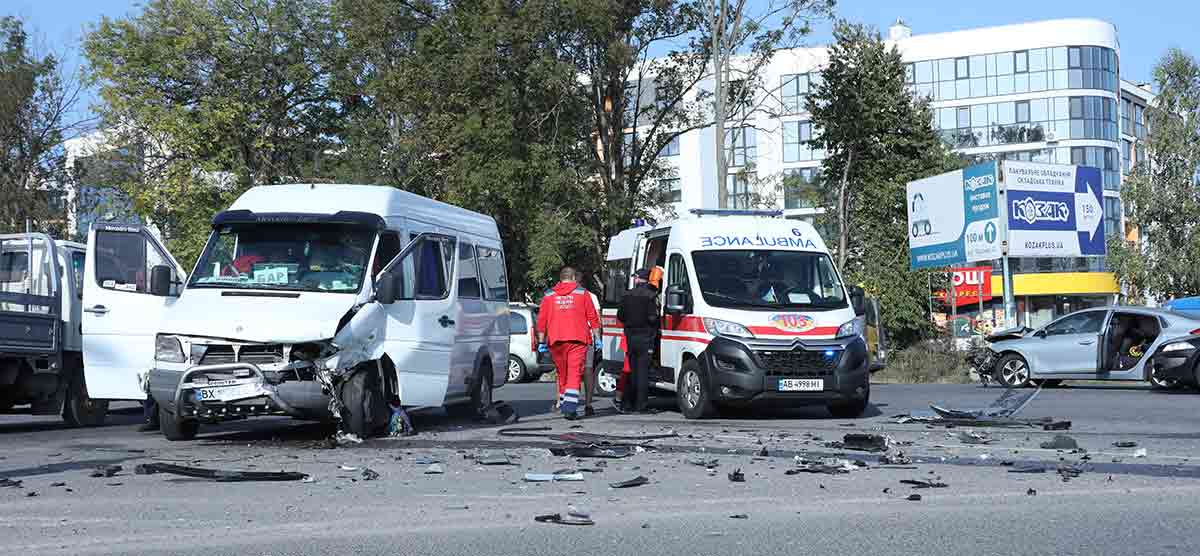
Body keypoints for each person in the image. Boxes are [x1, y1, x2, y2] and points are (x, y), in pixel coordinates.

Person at [537, 266, 601, 420]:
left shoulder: (549, 295)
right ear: (573, 278)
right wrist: (597, 338)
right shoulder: (582, 293)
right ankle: (570, 408)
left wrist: (541, 341)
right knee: (574, 373)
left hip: (556, 341)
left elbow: (542, 320)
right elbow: (593, 318)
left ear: (561, 278)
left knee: (562, 373)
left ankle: (564, 401)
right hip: (577, 340)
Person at [617, 268, 659, 413]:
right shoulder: (651, 295)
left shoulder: (627, 294)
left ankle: (628, 403)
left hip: (630, 336)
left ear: (637, 279)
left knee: (632, 370)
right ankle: (641, 405)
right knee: (642, 372)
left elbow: (620, 316)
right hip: (645, 337)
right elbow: (652, 317)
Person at [575, 269, 602, 418]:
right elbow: (597, 319)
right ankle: (588, 404)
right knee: (588, 370)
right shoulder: (591, 296)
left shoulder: (564, 295)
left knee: (571, 372)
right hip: (588, 338)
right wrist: (598, 338)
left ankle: (567, 402)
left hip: (571, 338)